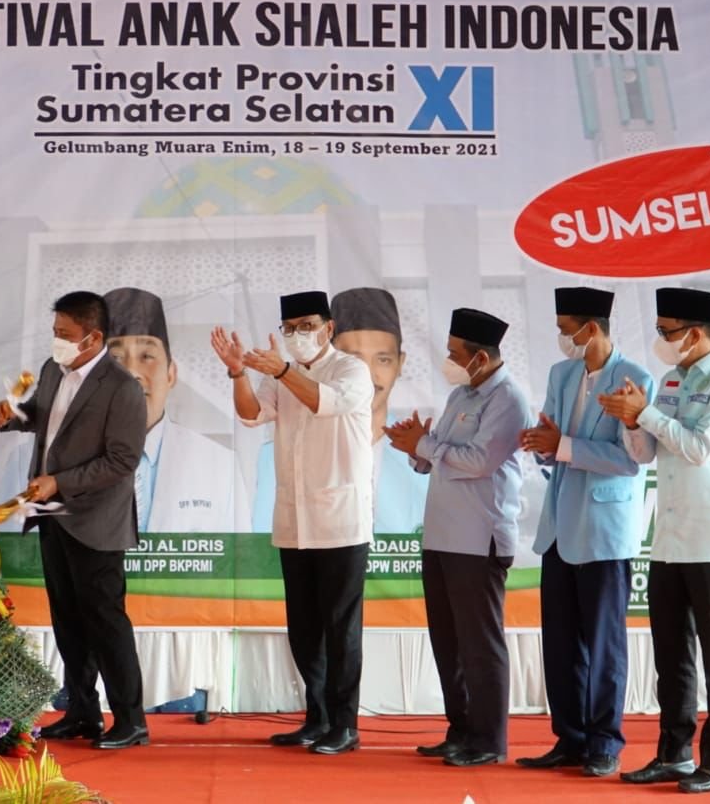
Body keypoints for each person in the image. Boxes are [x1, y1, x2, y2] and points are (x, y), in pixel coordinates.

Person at [600, 287, 710, 794]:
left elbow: (700, 447)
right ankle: (674, 754)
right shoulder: (671, 379)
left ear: (695, 333)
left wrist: (645, 414)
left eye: (666, 332)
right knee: (671, 656)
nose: (661, 340)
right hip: (668, 538)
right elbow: (648, 452)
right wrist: (631, 421)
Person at [211, 291, 373, 756]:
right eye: (289, 328)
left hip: (341, 521)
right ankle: (316, 718)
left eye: (307, 326)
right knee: (304, 628)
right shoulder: (280, 374)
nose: (297, 335)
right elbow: (251, 414)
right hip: (294, 519)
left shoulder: (350, 370)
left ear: (329, 327)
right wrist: (239, 373)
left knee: (341, 628)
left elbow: (325, 402)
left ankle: (345, 724)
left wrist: (282, 370)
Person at [0, 291, 149, 750]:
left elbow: (122, 460)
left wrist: (59, 482)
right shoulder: (52, 369)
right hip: (53, 516)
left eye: (65, 334)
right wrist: (13, 416)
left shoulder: (122, 387)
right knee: (67, 619)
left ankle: (131, 719)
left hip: (96, 520)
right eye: (55, 332)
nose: (56, 340)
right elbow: (45, 418)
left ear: (93, 337)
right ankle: (82, 711)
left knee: (105, 621)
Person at [516, 287, 654, 778]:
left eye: (565, 329)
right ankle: (570, 739)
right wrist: (542, 444)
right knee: (560, 643)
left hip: (603, 531)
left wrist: (564, 445)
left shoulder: (634, 379)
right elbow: (554, 442)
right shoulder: (563, 373)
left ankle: (604, 743)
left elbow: (631, 460)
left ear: (591, 329)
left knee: (603, 644)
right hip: (559, 526)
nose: (562, 338)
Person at [385, 307, 528, 767]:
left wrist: (426, 446)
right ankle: (461, 729)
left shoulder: (507, 399)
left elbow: (479, 461)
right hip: (442, 536)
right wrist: (416, 449)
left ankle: (488, 740)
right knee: (448, 642)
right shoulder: (460, 395)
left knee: (480, 644)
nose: (449, 361)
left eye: (455, 353)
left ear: (481, 357)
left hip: (478, 539)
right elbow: (439, 456)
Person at [104, 287, 250, 533]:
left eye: (147, 356)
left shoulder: (220, 464)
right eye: (115, 358)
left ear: (171, 374)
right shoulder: (63, 463)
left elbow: (241, 554)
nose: (131, 373)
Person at [330, 287, 430, 535]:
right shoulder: (284, 453)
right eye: (354, 360)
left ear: (400, 364)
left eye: (383, 360)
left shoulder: (427, 456)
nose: (368, 375)